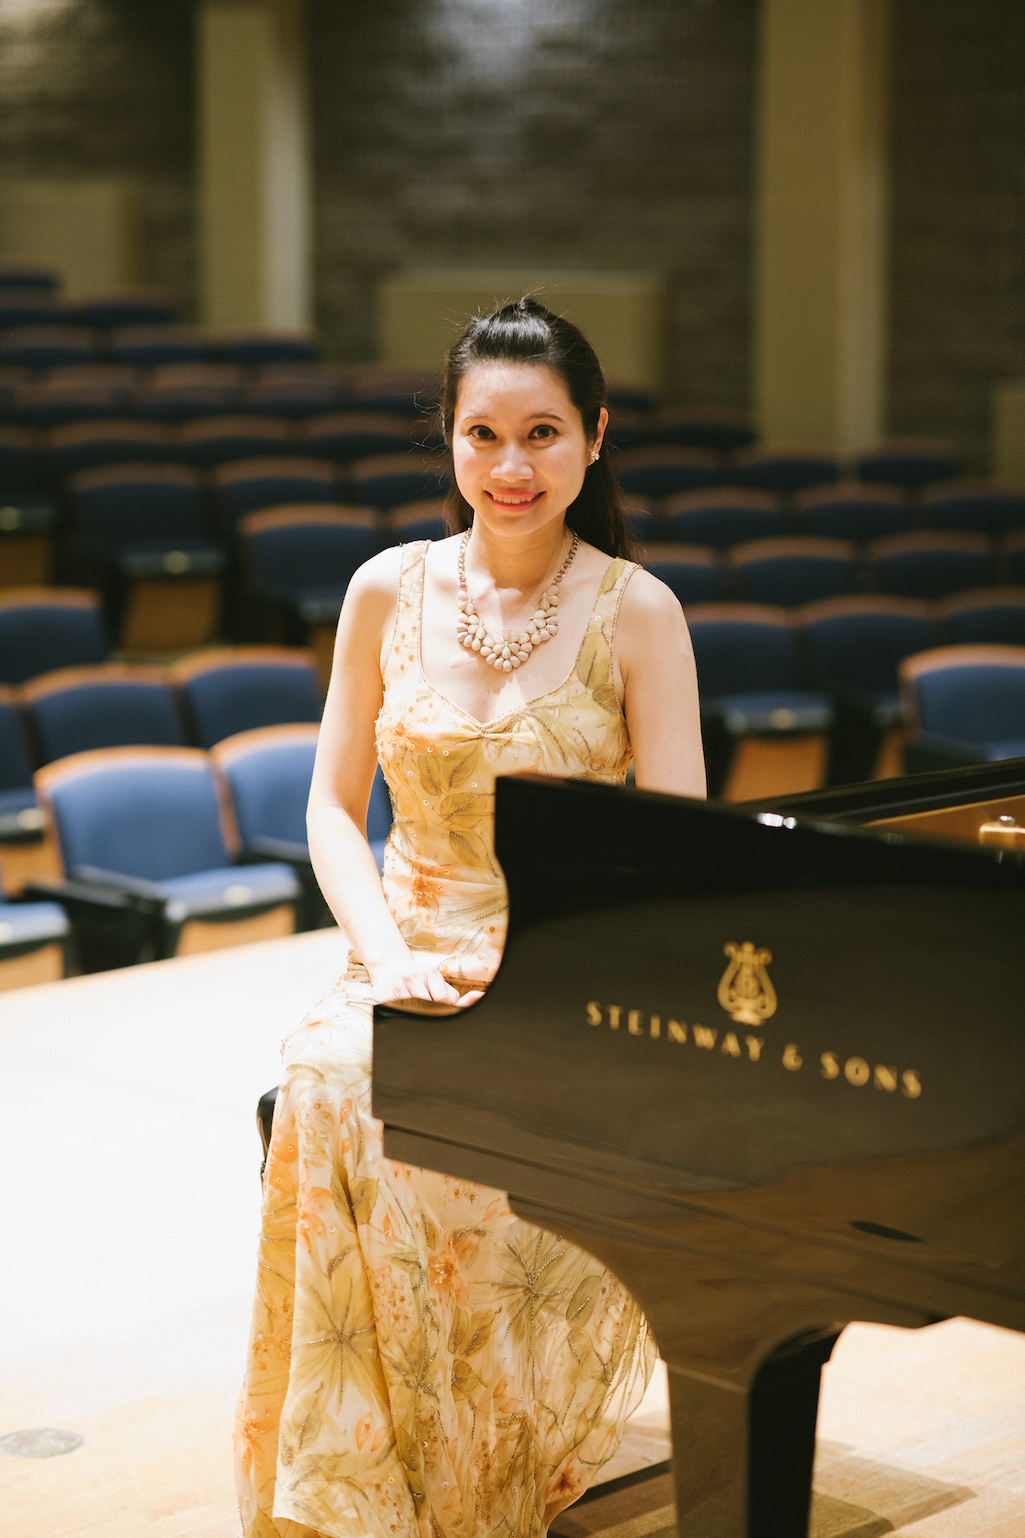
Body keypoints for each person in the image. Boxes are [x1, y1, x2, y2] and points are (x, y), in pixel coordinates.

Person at [235, 298, 706, 1538]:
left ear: (594, 439)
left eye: (541, 433)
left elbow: (674, 855)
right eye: (481, 434)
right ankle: (359, 1493)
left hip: (565, 968)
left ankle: (462, 1470)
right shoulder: (384, 590)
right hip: (401, 946)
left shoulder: (637, 612)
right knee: (334, 1074)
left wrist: (547, 980)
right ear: (446, 440)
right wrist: (383, 958)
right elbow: (333, 811)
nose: (510, 466)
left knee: (443, 1109)